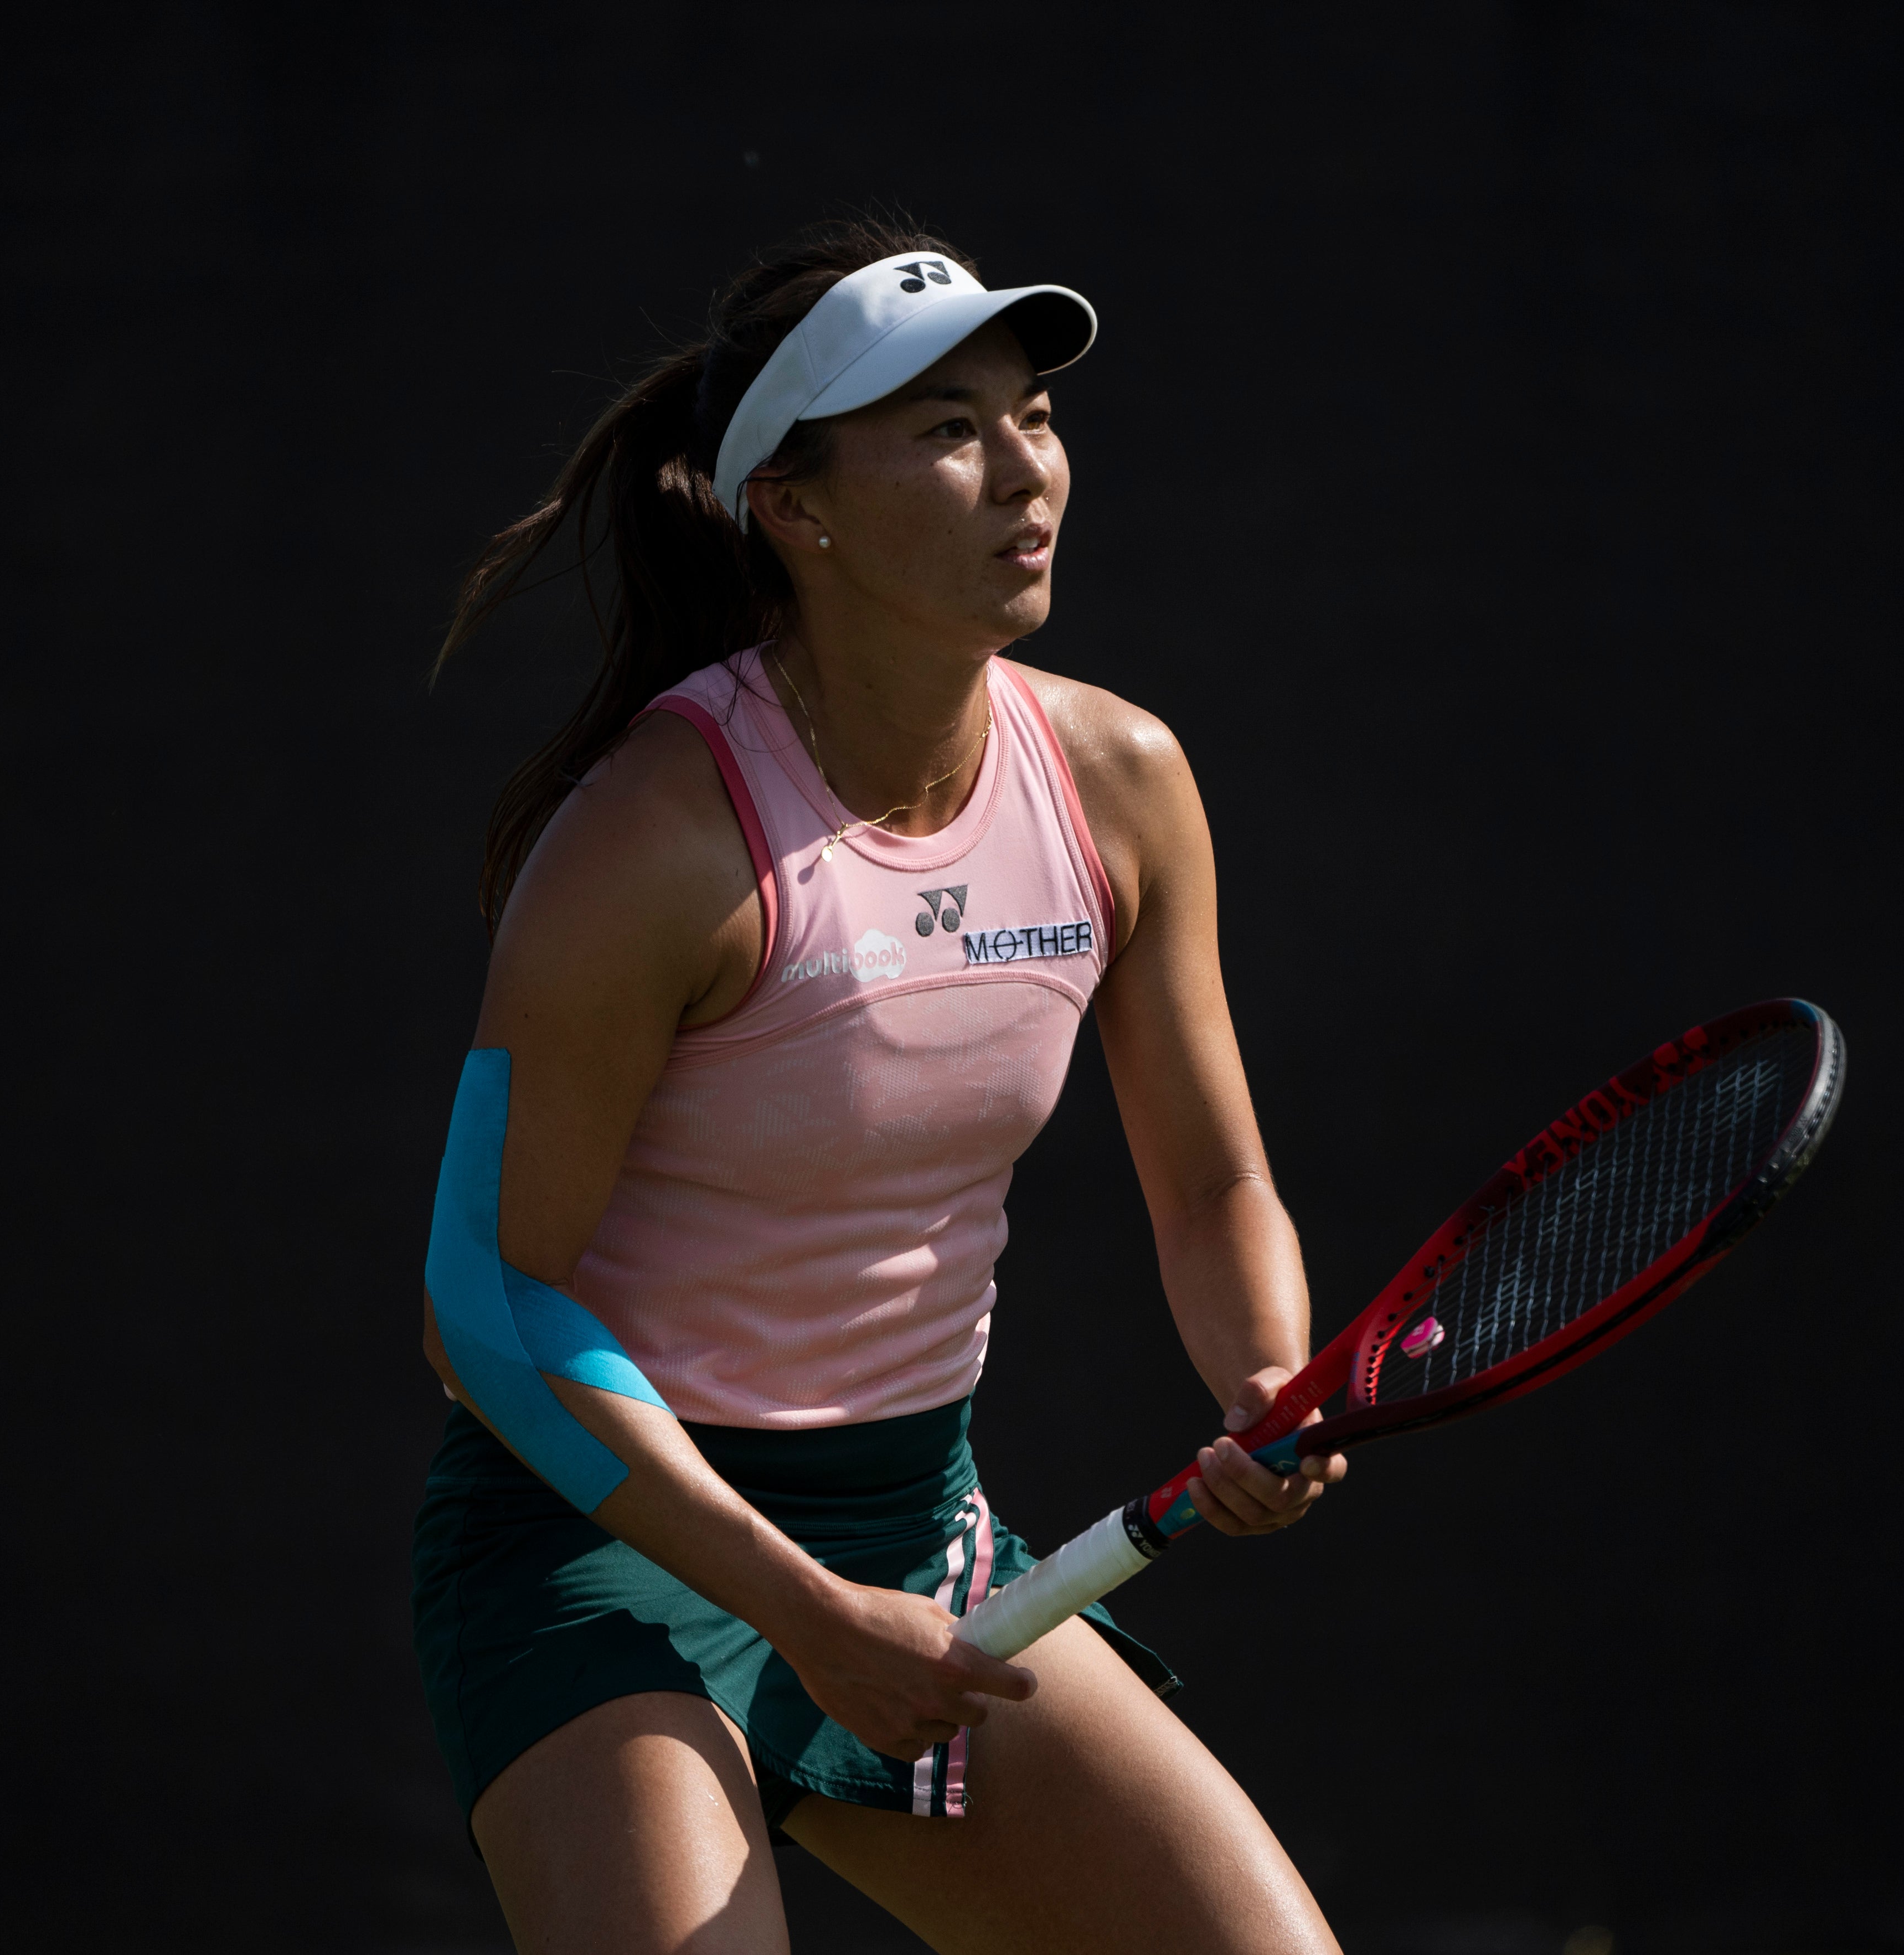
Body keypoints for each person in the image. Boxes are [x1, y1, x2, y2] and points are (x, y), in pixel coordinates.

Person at [414, 218, 1345, 1955]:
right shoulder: (652, 842)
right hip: (602, 1552)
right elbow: (481, 1299)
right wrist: (800, 1607)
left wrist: (1265, 1377)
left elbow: (1215, 1183)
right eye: (946, 430)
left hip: (921, 1542)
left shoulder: (1122, 781)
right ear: (797, 506)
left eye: (1034, 413)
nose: (1023, 468)